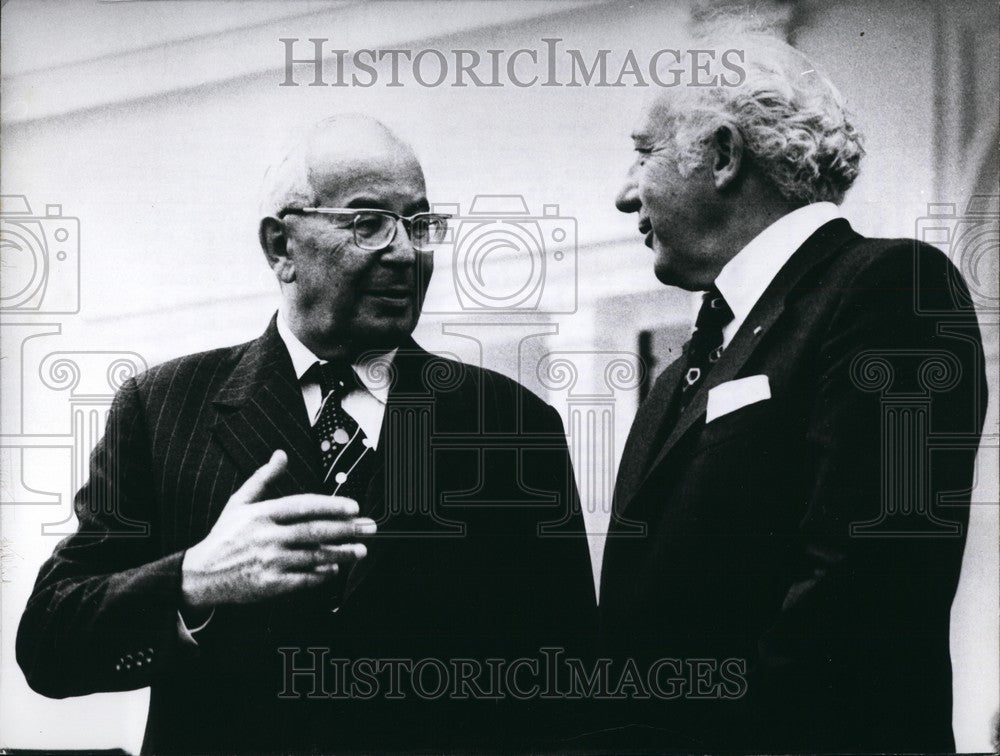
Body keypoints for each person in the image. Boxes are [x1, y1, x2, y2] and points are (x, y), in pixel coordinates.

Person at [17, 114, 595, 753]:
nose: (406, 252)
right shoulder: (161, 408)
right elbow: (49, 643)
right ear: (280, 247)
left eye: (421, 225)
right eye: (368, 222)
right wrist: (193, 579)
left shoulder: (511, 425)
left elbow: (567, 685)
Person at [598, 30, 987, 753]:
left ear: (721, 155)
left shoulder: (892, 289)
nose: (625, 193)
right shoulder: (688, 364)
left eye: (643, 153)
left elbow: (862, 601)